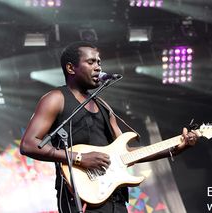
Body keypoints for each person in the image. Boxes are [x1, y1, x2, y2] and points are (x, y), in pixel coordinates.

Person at [20, 41, 200, 213]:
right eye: (91, 62)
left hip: (114, 199)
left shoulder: (104, 106)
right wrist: (79, 158)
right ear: (70, 68)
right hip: (79, 198)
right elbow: (28, 144)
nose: (98, 67)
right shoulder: (56, 98)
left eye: (99, 62)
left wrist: (176, 148)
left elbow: (127, 154)